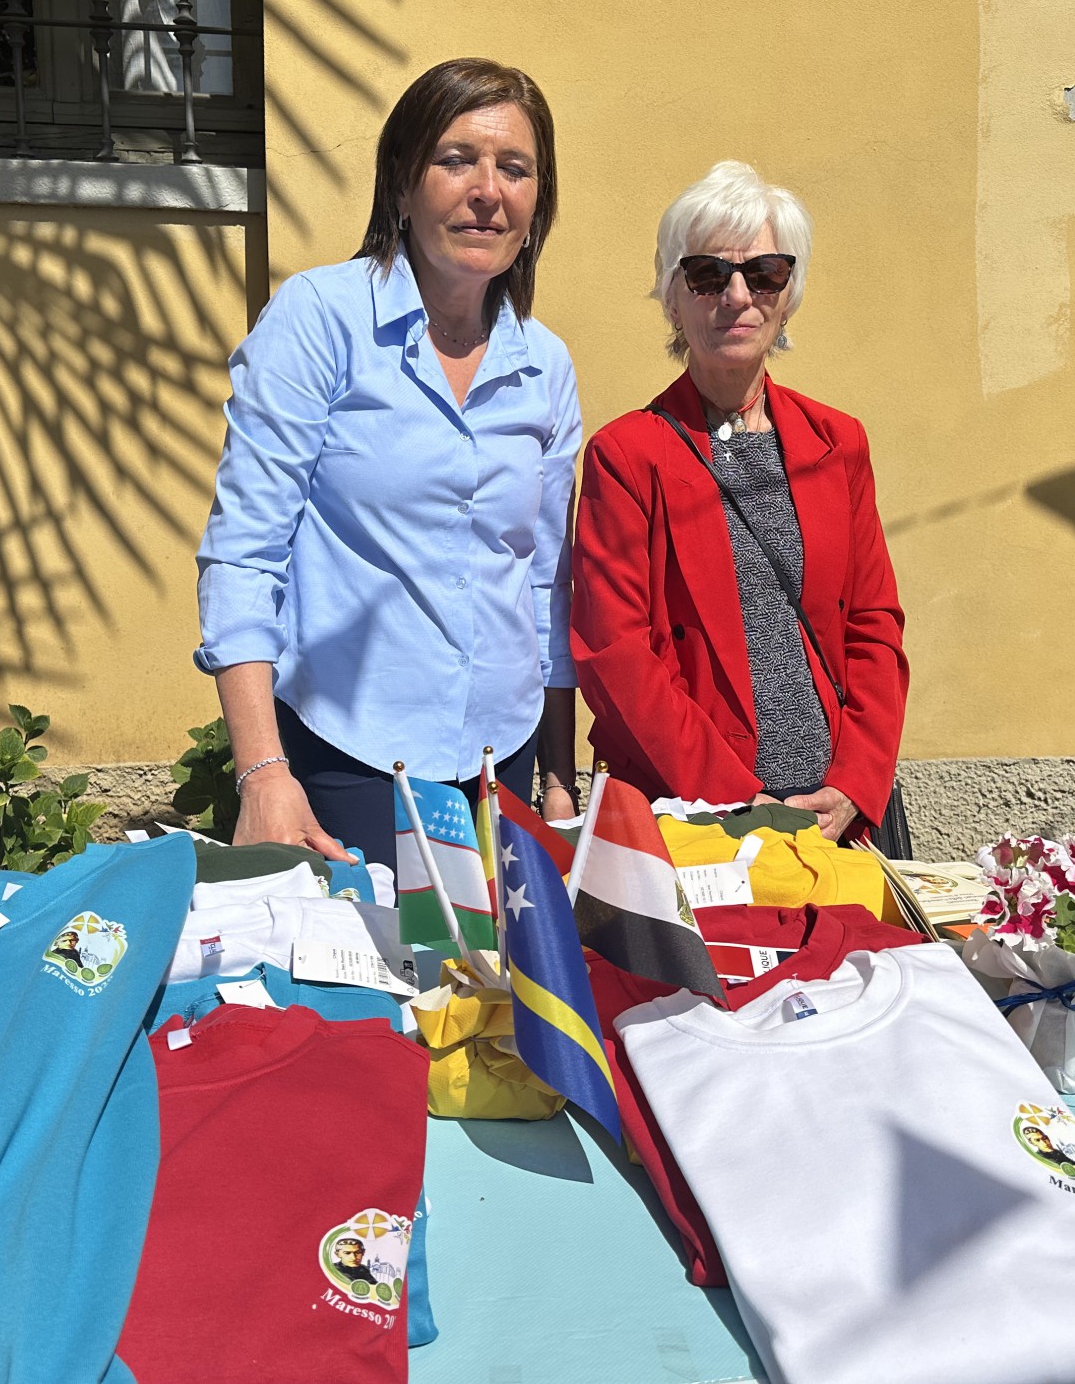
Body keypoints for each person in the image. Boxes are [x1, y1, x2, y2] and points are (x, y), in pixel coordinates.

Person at [195, 59, 583, 870]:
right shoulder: (319, 319)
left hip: (502, 757)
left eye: (515, 169)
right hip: (352, 755)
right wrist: (263, 773)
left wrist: (557, 774)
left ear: (537, 203)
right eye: (455, 160)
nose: (488, 191)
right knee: (376, 954)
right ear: (402, 186)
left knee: (501, 956)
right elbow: (245, 553)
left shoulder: (544, 365)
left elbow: (545, 583)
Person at [571, 161, 908, 841]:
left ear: (789, 294)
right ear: (672, 297)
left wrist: (855, 782)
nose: (736, 296)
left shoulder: (837, 442)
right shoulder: (627, 455)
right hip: (695, 815)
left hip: (836, 815)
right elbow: (616, 654)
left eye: (764, 274)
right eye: (706, 275)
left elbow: (873, 624)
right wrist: (739, 804)